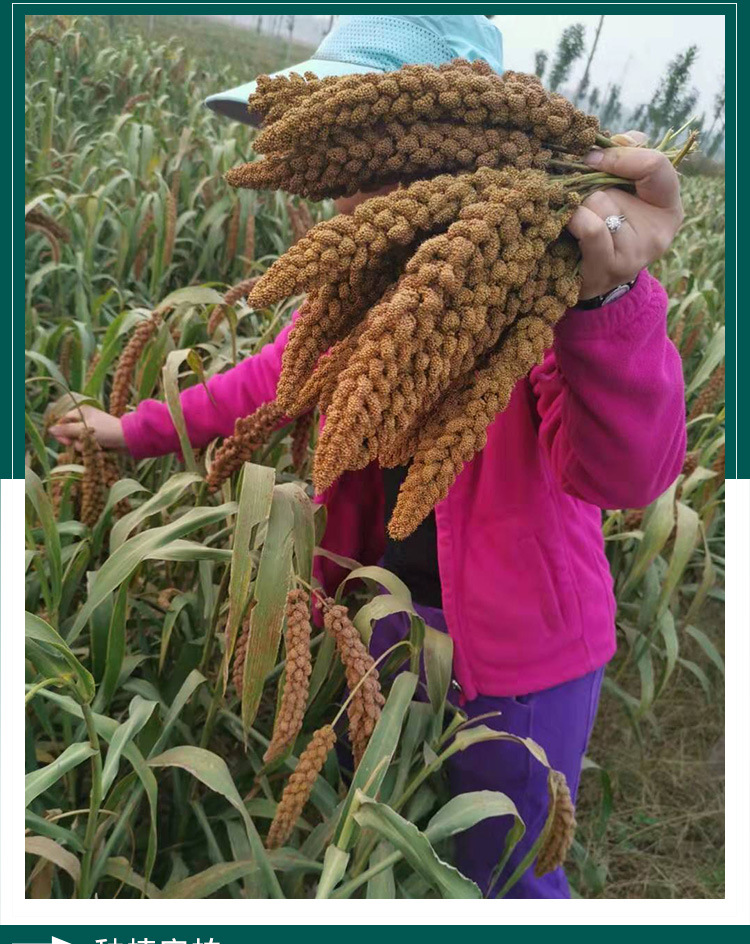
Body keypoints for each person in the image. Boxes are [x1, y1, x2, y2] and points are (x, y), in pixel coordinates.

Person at [49, 15, 687, 898]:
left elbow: (627, 476)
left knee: (504, 872)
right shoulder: (359, 286)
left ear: (451, 155)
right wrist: (136, 429)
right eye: (335, 172)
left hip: (521, 656)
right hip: (379, 615)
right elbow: (264, 386)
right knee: (380, 811)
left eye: (358, 164)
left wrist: (607, 298)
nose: (340, 199)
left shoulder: (543, 285)